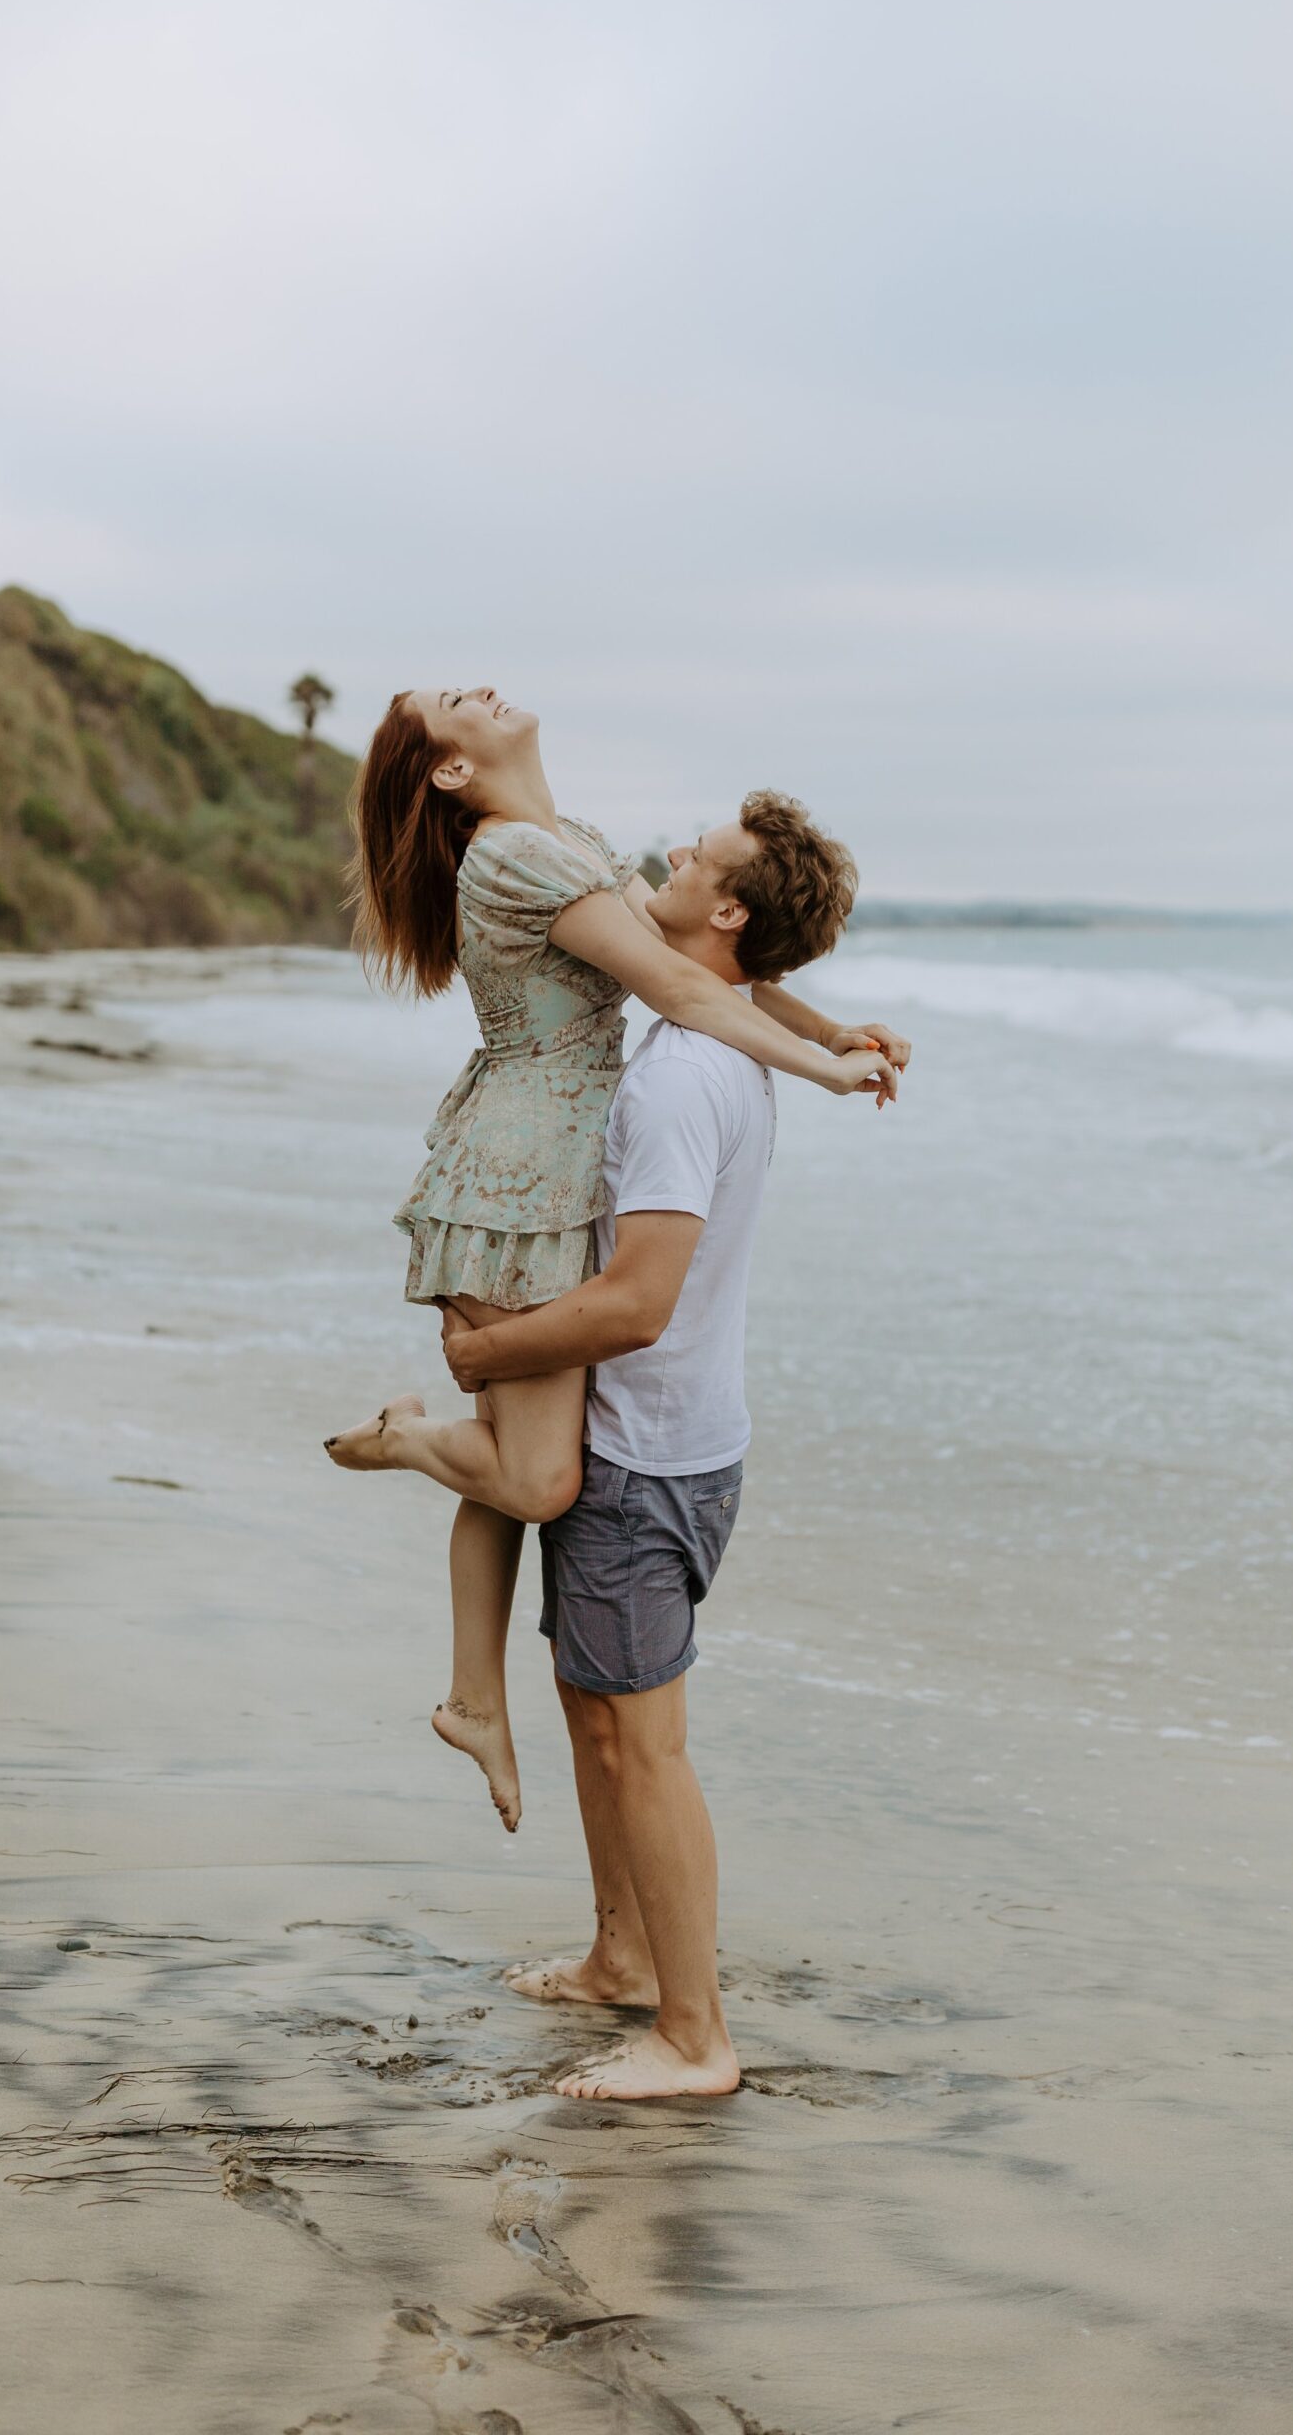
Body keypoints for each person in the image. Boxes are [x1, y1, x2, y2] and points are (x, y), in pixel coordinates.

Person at [324, 688, 906, 1833]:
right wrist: (820, 1072)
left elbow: (709, 963)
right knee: (536, 1475)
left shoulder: (569, 840)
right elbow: (678, 985)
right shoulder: (510, 858)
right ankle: (405, 1439)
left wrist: (830, 1029)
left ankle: (473, 1698)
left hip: (553, 1177)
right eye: (455, 704)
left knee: (516, 1450)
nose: (481, 690)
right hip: (514, 1183)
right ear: (449, 771)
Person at [438, 802, 905, 2098]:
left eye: (691, 862)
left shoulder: (683, 1078)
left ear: (729, 914)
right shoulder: (701, 1040)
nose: (663, 864)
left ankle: (692, 2036)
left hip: (646, 1457)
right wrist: (835, 1037)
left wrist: (487, 1355)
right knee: (595, 1724)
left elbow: (636, 1301)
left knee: (642, 1748)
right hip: (654, 1439)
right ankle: (621, 1961)